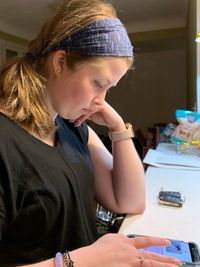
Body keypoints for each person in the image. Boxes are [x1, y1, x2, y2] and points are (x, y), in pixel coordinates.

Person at [0, 0, 181, 266]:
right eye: (98, 83)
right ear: (60, 62)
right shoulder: (5, 142)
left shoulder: (72, 127)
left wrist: (117, 127)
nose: (101, 100)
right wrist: (78, 261)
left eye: (109, 88)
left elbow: (129, 201)